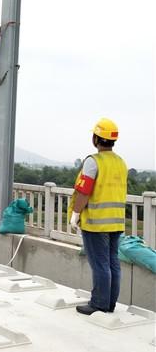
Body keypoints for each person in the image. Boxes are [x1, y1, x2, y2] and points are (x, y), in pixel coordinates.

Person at [69, 118, 128, 315]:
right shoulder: (120, 162)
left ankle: (98, 304)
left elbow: (84, 191)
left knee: (100, 265)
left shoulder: (93, 162)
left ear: (96, 138)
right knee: (113, 263)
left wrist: (75, 215)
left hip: (96, 223)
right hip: (116, 221)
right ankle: (109, 303)